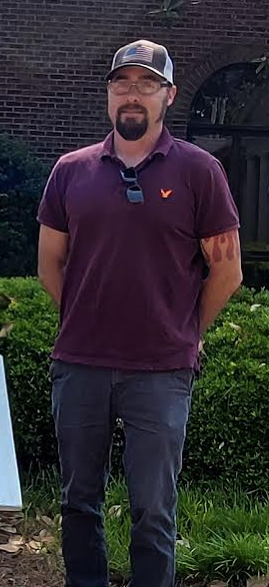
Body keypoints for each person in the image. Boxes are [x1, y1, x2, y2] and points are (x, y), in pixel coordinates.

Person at [36, 40, 242, 587]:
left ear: (168, 96)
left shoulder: (201, 172)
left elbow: (227, 272)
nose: (133, 95)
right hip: (80, 363)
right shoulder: (70, 171)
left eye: (146, 84)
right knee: (79, 502)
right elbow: (50, 266)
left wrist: (186, 331)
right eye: (122, 83)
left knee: (153, 510)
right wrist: (86, 315)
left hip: (161, 369)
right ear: (108, 94)